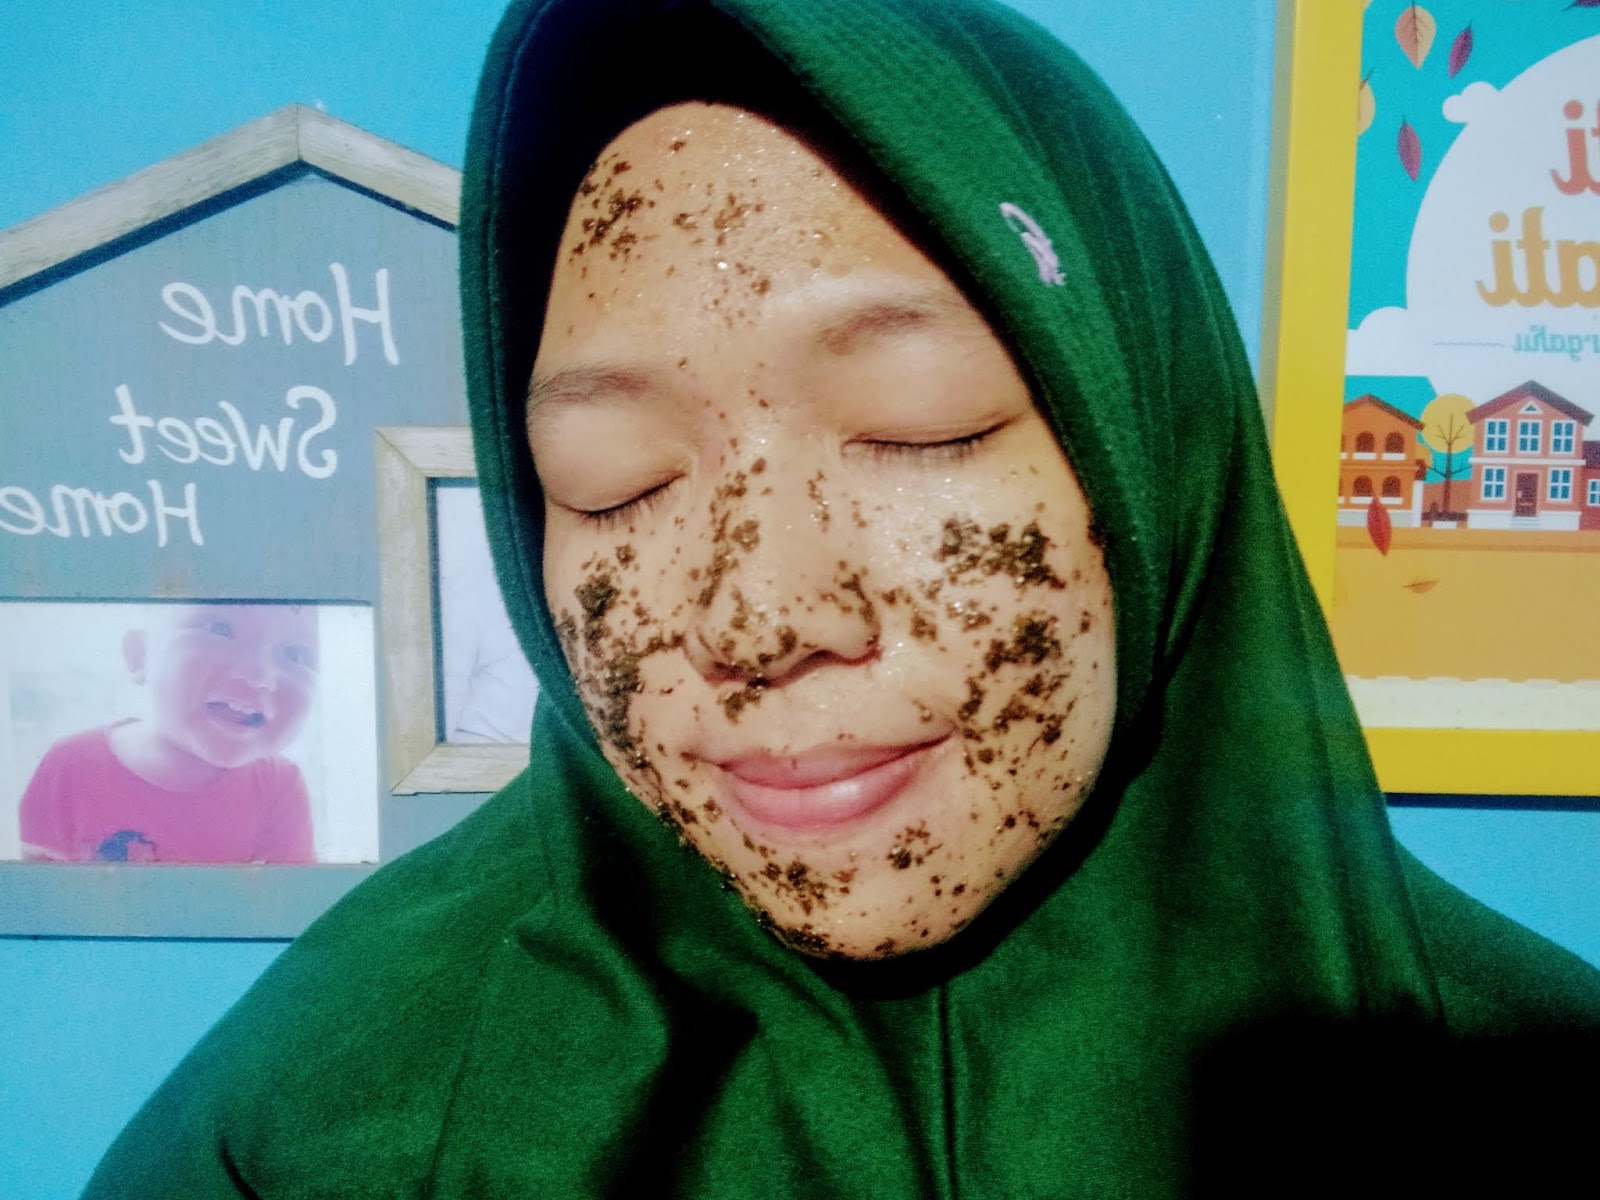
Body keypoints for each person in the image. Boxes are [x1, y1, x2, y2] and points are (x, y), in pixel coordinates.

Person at [84, 0, 1600, 1195]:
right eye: (610, 480)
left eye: (916, 426)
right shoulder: (319, 1125)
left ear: (1153, 446)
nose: (752, 617)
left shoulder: (1519, 1089)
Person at [20, 603, 316, 864]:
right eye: (219, 628)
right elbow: (36, 893)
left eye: (296, 654)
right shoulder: (72, 762)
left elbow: (295, 903)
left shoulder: (279, 784)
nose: (258, 674)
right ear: (140, 655)